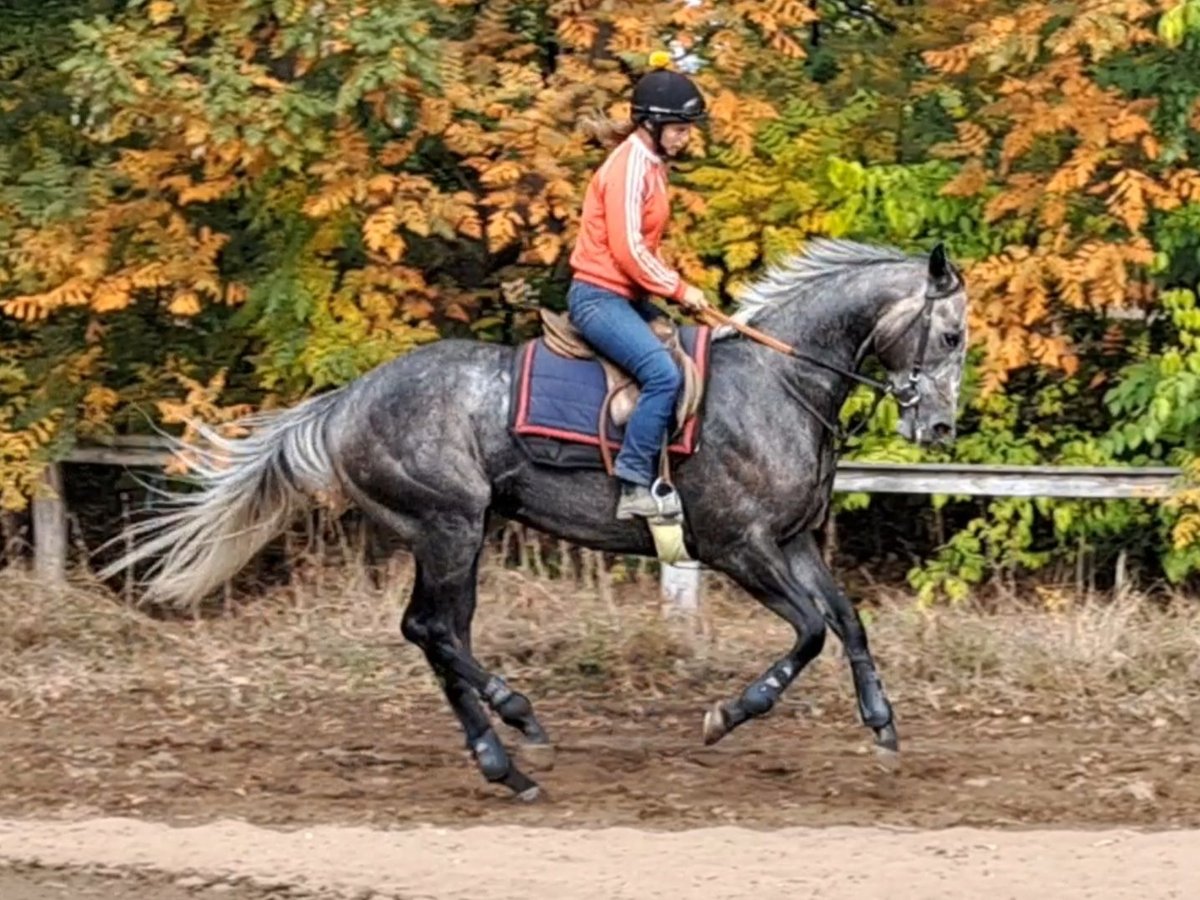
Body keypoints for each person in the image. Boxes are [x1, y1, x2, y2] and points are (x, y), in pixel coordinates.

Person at [566, 53, 711, 521]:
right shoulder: (629, 166)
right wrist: (680, 288)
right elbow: (628, 250)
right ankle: (632, 482)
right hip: (598, 298)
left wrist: (676, 295)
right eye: (681, 128)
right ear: (652, 124)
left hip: (627, 297)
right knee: (663, 375)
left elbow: (641, 248)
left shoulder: (651, 164)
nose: (687, 137)